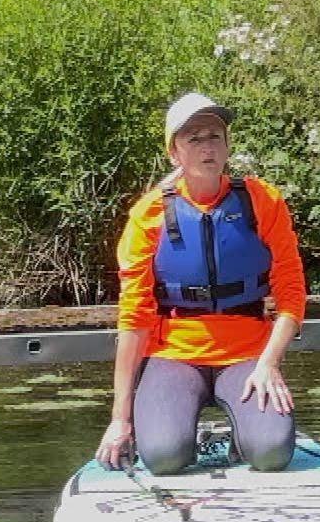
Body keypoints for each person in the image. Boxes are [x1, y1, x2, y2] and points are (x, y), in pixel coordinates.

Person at [95, 94, 307, 476]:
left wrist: (269, 364)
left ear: (227, 146)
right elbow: (134, 317)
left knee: (273, 452)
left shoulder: (263, 200)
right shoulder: (149, 215)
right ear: (174, 153)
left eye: (215, 136)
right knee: (163, 457)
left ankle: (247, 438)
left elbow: (292, 293)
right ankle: (169, 427)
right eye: (193, 138)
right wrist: (119, 419)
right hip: (174, 354)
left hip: (247, 355)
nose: (207, 145)